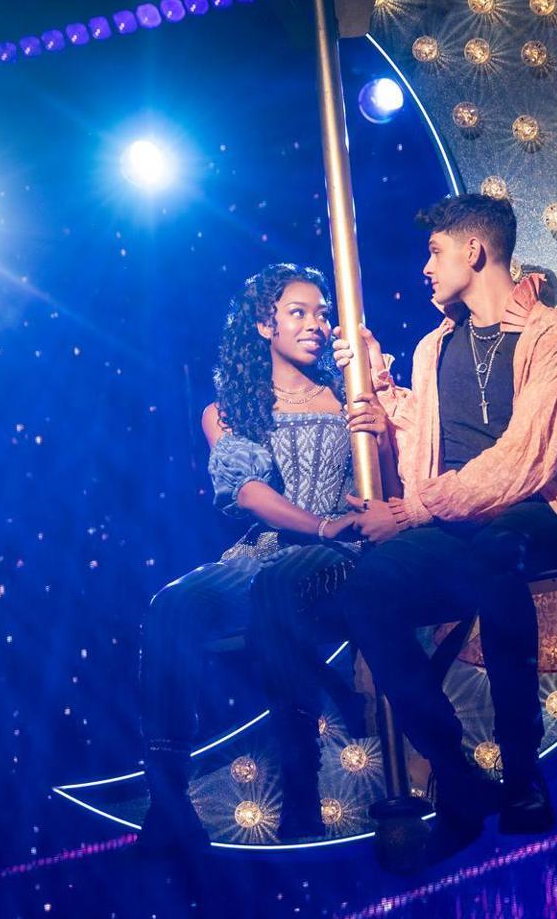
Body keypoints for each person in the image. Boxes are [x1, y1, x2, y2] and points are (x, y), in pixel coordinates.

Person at [254, 193, 557, 859]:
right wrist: (379, 392)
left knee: (494, 552)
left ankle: (523, 772)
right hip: (455, 517)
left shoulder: (556, 336)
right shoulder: (433, 347)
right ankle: (455, 770)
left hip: (533, 511)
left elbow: (526, 457)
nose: (426, 265)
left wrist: (415, 511)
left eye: (435, 249)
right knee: (364, 592)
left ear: (474, 251)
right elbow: (432, 440)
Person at [136, 263, 385, 853]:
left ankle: (301, 788)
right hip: (270, 548)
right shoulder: (228, 411)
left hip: (343, 550)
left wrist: (381, 414)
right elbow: (248, 493)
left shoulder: (351, 393)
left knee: (283, 585)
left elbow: (393, 475)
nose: (316, 324)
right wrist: (316, 522)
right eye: (299, 312)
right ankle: (168, 802)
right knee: (171, 605)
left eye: (323, 313)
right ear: (263, 324)